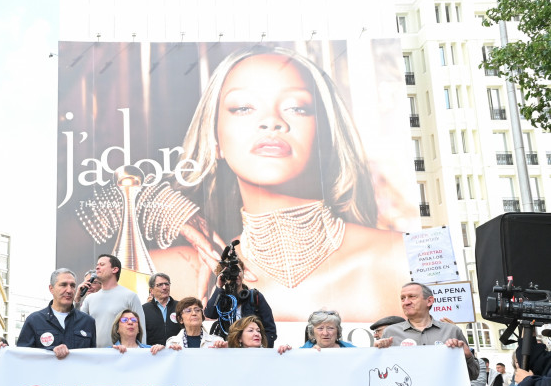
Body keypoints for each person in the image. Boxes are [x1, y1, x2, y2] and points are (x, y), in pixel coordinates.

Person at [150, 45, 408, 322]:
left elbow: (453, 350)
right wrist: (141, 201)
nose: (271, 121)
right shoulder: (181, 273)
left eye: (297, 107)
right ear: (215, 139)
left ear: (326, 135)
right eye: (243, 107)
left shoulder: (404, 257)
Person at [203, 258, 276, 345]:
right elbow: (210, 314)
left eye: (238, 270)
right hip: (227, 350)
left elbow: (270, 329)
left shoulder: (255, 296)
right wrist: (219, 287)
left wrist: (261, 350)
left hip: (251, 351)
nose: (236, 274)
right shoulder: (221, 298)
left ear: (243, 273)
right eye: (231, 271)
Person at [80, 255, 146, 348]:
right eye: (97, 265)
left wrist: (141, 353)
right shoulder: (90, 299)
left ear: (114, 269)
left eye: (102, 264)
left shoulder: (130, 296)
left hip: (121, 355)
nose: (97, 267)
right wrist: (77, 299)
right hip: (95, 355)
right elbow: (78, 324)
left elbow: (141, 327)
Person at [142, 273, 180, 346]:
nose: (164, 287)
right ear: (151, 290)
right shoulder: (144, 309)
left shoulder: (180, 306)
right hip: (153, 353)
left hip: (177, 352)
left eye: (167, 284)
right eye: (160, 285)